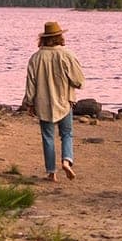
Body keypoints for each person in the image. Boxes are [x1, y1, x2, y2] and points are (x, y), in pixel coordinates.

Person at [22, 21, 85, 182]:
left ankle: (52, 172)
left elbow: (31, 83)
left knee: (48, 137)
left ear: (43, 39)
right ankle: (66, 161)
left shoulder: (35, 58)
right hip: (64, 102)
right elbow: (78, 81)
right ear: (60, 37)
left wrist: (29, 103)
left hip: (43, 104)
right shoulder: (67, 55)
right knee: (67, 134)